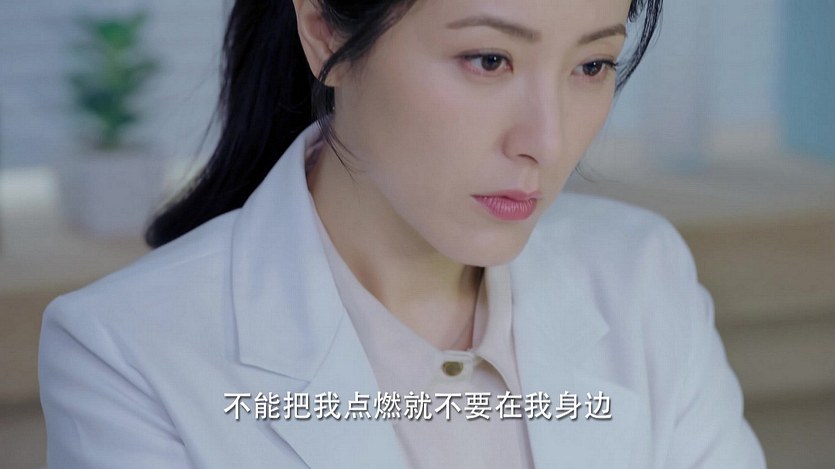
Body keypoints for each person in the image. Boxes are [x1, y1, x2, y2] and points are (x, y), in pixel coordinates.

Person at [39, 0, 766, 467]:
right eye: (489, 59)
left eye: (592, 65)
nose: (547, 142)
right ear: (323, 31)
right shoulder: (127, 349)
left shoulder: (642, 274)